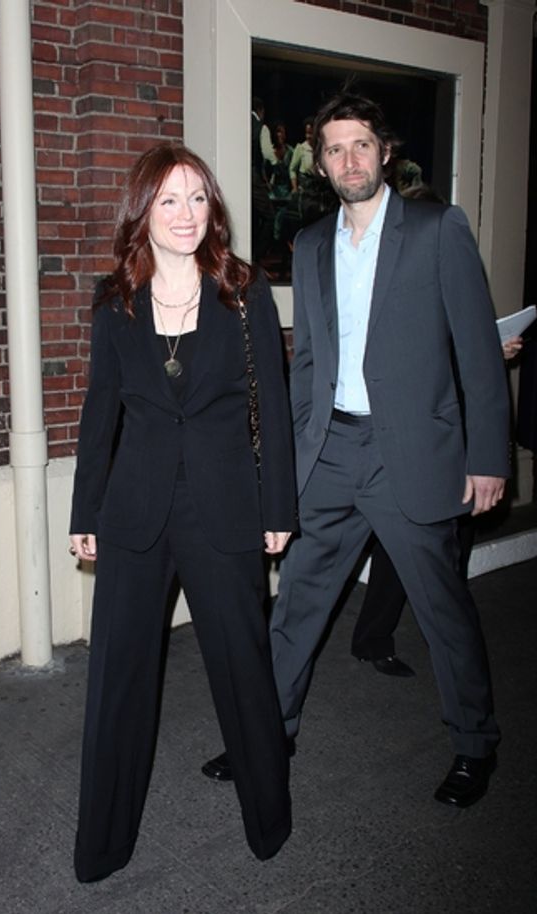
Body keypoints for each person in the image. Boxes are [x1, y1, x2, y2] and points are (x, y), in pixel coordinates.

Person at [203, 91, 510, 810]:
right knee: (298, 606)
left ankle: (475, 744)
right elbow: (305, 363)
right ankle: (267, 735)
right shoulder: (310, 245)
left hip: (413, 453)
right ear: (322, 163)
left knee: (442, 612)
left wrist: (488, 456)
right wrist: (292, 459)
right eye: (335, 148)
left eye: (361, 145)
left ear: (385, 152)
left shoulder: (437, 229)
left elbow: (477, 353)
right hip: (332, 452)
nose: (348, 160)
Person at [69, 143, 297, 883]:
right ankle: (104, 842)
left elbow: (276, 411)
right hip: (134, 511)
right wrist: (86, 508)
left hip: (225, 508)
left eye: (198, 197)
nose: (186, 213)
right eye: (169, 199)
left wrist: (278, 506)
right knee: (118, 678)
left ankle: (269, 820)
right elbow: (100, 411)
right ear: (143, 210)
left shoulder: (244, 292)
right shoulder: (116, 302)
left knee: (244, 668)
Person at [354, 337, 522, 678]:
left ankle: (449, 641)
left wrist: (489, 353)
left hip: (460, 434)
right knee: (400, 545)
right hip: (420, 435)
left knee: (458, 541)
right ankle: (373, 639)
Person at [251, 97, 276, 263]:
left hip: (240, 174)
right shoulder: (261, 128)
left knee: (252, 215)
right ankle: (258, 257)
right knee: (269, 216)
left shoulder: (241, 124)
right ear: (261, 110)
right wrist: (277, 164)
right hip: (253, 175)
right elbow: (268, 155)